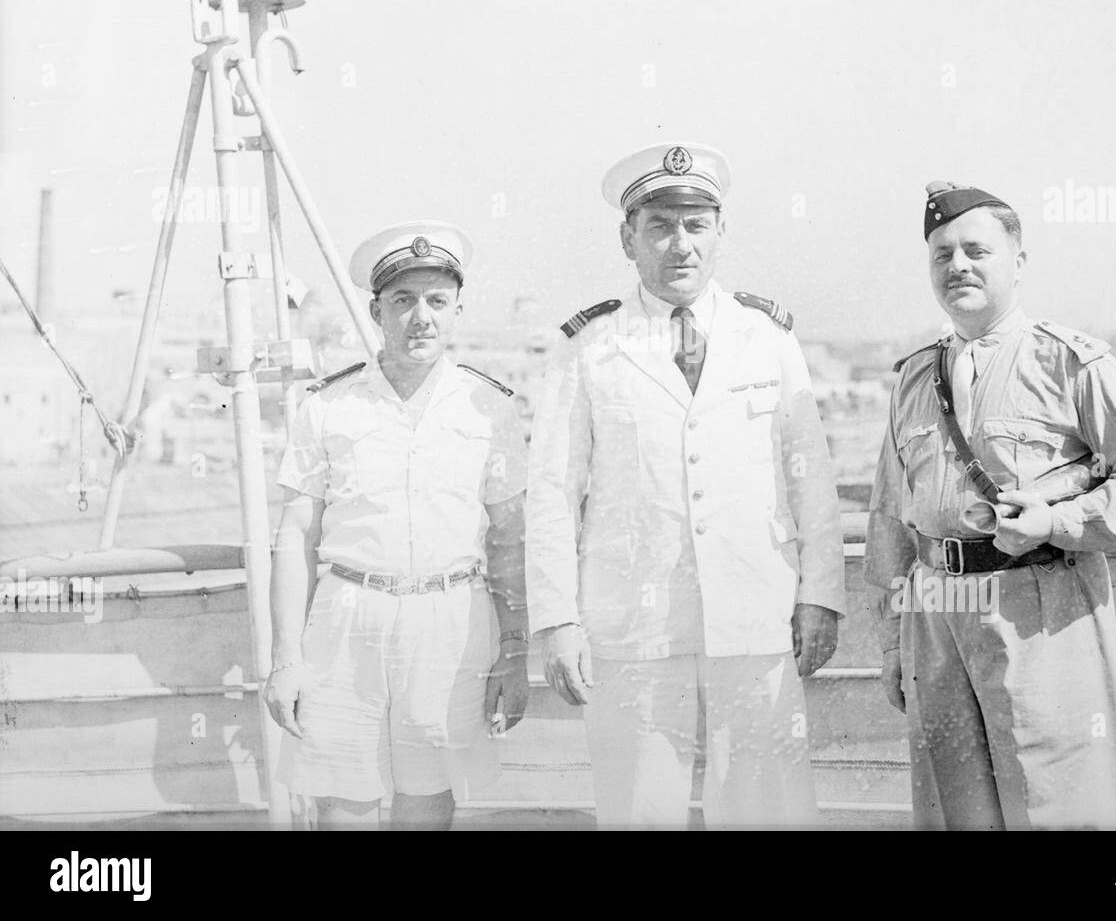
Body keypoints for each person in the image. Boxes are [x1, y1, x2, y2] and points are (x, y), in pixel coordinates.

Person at [525, 142, 845, 828]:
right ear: (628, 238)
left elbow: (809, 479)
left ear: (720, 233)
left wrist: (822, 595)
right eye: (661, 226)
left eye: (697, 225)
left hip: (756, 617)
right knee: (642, 810)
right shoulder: (588, 348)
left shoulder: (768, 338)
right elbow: (552, 493)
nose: (680, 245)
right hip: (631, 627)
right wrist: (556, 621)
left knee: (768, 811)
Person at [865, 181, 1116, 829]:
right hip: (936, 616)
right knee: (955, 812)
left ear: (1018, 261)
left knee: (1056, 808)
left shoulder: (1069, 361)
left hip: (1040, 605)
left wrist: (1059, 522)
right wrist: (894, 644)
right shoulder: (914, 378)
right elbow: (890, 518)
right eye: (942, 254)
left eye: (976, 250)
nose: (957, 265)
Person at [264, 221, 529, 829]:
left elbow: (509, 537)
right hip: (346, 619)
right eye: (403, 301)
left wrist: (515, 650)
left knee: (429, 802)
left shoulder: (488, 407)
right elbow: (295, 538)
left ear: (458, 310)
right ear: (376, 309)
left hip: (451, 620)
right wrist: (285, 660)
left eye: (437, 302)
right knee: (341, 807)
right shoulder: (327, 405)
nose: (421, 318)